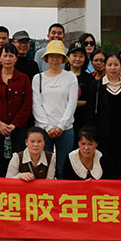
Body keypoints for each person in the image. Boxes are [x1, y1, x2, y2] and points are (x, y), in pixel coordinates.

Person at [0, 43, 32, 175]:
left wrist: (14, 124)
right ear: (0, 58)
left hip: (18, 130)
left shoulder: (24, 79)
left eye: (11, 56)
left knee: (17, 162)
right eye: (5, 55)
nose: (8, 59)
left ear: (16, 59)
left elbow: (27, 104)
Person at [32, 40, 79, 178]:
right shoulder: (38, 78)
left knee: (63, 168)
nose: (55, 59)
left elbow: (71, 103)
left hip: (65, 129)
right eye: (52, 56)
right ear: (46, 58)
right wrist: (47, 127)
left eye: (58, 56)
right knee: (43, 168)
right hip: (44, 129)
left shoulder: (70, 77)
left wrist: (61, 126)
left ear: (63, 59)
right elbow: (36, 104)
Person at [86, 53, 121, 176]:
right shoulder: (96, 86)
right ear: (105, 66)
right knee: (104, 164)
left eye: (116, 64)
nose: (113, 68)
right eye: (110, 65)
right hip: (102, 133)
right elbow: (90, 111)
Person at [66, 40, 92, 134]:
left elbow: (90, 101)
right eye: (74, 55)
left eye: (81, 56)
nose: (77, 59)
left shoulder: (89, 79)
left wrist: (70, 103)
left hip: (82, 122)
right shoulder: (62, 77)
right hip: (64, 122)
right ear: (68, 57)